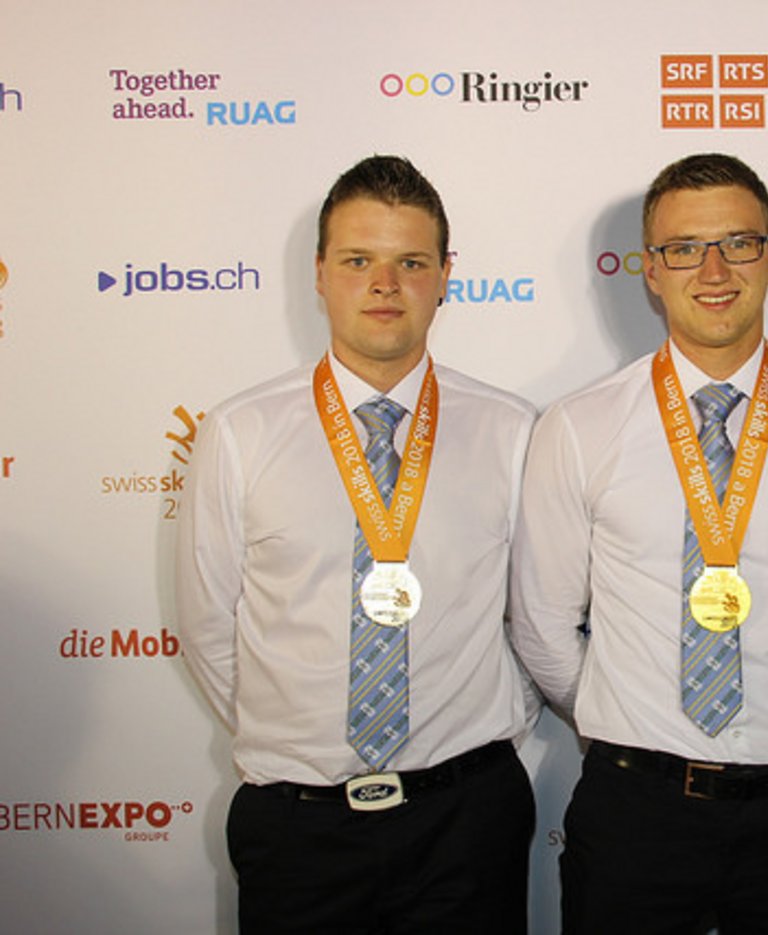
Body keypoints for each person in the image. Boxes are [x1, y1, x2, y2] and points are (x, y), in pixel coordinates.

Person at [510, 152, 768, 933]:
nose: (714, 268)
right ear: (650, 271)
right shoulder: (579, 427)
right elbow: (544, 625)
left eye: (739, 242)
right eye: (685, 248)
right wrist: (631, 730)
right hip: (635, 814)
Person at [175, 155, 537, 933]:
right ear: (318, 273)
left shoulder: (511, 430)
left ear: (446, 275)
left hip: (465, 821)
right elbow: (210, 628)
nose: (385, 284)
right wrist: (296, 740)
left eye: (410, 261)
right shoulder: (240, 432)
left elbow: (537, 616)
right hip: (299, 829)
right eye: (358, 260)